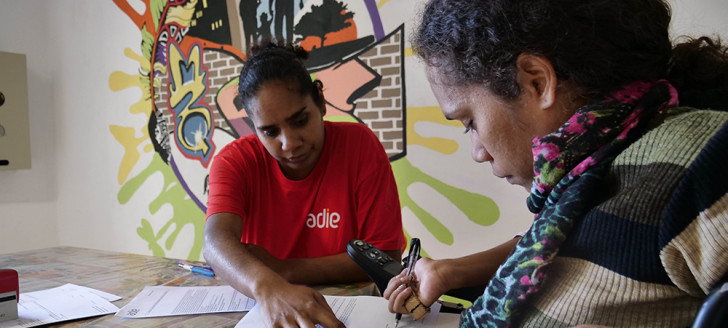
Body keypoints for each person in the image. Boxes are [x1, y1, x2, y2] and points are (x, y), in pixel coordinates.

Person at [384, 0, 728, 327]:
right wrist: (449, 272)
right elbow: (566, 248)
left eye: (470, 122)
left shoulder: (696, 163)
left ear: (536, 80)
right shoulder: (586, 172)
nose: (479, 152)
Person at [203, 41, 404, 327]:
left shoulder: (359, 145)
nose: (290, 143)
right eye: (270, 131)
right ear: (253, 127)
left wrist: (283, 270)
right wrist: (267, 287)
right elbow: (215, 242)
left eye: (300, 120)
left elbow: (384, 257)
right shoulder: (235, 161)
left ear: (320, 102)